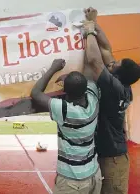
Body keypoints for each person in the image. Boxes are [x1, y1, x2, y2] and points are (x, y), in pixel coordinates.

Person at [83, 7, 140, 194]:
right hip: (110, 154)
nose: (113, 62)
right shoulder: (121, 84)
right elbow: (106, 49)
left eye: (116, 64)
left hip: (113, 158)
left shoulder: (113, 87)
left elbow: (94, 59)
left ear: (118, 73)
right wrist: (95, 22)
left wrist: (89, 28)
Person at [30, 59, 102, 194]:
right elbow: (87, 72)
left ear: (64, 92)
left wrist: (53, 69)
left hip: (72, 181)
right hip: (94, 174)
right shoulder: (93, 99)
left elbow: (35, 93)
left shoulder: (65, 110)